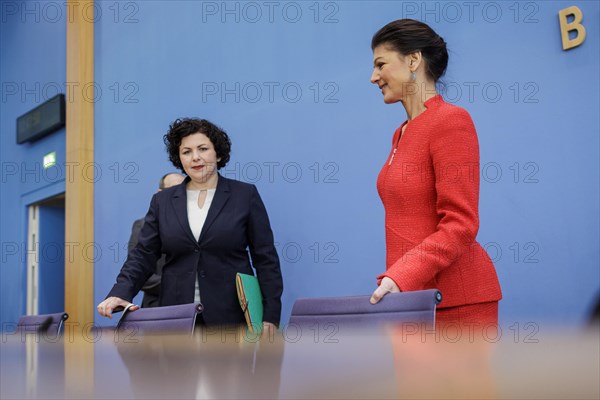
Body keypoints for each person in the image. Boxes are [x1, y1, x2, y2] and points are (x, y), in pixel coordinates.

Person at [368, 19, 502, 328]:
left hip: (457, 301)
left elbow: (461, 224)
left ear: (413, 60)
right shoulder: (400, 133)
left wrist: (402, 275)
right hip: (409, 297)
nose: (373, 77)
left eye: (381, 64)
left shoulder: (451, 121)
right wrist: (400, 281)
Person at [97, 118, 283, 332]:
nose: (195, 157)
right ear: (179, 158)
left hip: (231, 315)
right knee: (179, 367)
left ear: (218, 153)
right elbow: (143, 254)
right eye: (186, 151)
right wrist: (120, 292)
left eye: (203, 149)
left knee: (231, 367)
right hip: (176, 315)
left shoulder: (244, 195)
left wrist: (270, 315)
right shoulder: (162, 201)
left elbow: (265, 257)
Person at [128, 172, 184, 308]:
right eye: (174, 189)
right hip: (158, 308)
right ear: (160, 193)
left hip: (199, 310)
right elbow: (140, 273)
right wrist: (181, 285)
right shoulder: (143, 226)